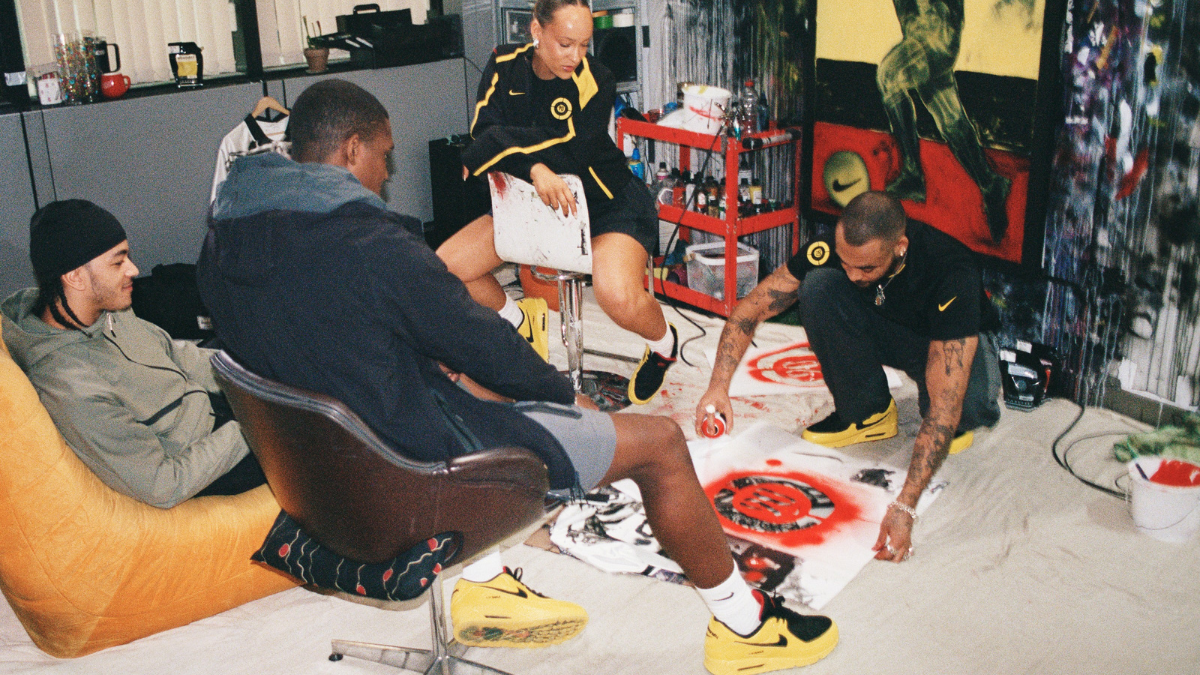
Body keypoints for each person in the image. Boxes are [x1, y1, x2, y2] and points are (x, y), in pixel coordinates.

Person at [197, 78, 837, 674]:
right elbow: (481, 343)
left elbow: (327, 336)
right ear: (352, 147)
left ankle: (483, 584)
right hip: (409, 480)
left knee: (466, 381)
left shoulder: (224, 238)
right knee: (661, 444)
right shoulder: (369, 245)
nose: (387, 173)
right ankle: (746, 627)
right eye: (384, 156)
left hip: (320, 486)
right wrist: (566, 395)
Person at [696, 191, 1001, 563]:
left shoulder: (951, 271)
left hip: (946, 340)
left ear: (900, 247)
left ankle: (968, 402)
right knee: (819, 286)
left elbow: (944, 408)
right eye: (847, 263)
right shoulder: (834, 250)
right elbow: (752, 309)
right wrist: (718, 387)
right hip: (888, 323)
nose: (854, 275)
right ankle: (868, 411)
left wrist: (905, 506)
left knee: (961, 412)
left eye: (867, 268)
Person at [436, 0, 677, 405]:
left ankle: (665, 345)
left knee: (617, 296)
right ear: (537, 30)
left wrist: (494, 147)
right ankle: (519, 324)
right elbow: (483, 129)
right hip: (530, 199)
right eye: (566, 44)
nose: (575, 56)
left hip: (606, 202)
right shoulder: (503, 64)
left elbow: (573, 149)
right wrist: (533, 167)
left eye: (584, 45)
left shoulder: (597, 77)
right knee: (444, 271)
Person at [0, 200, 265, 509]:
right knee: (313, 449)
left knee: (280, 357)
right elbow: (163, 484)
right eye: (117, 262)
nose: (134, 270)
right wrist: (254, 425)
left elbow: (178, 356)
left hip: (213, 411)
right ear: (75, 277)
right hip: (205, 459)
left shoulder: (107, 311)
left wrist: (257, 376)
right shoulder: (70, 384)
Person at [876, 0, 1011, 242]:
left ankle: (912, 173)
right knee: (950, 118)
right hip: (928, 32)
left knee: (889, 76)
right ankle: (990, 183)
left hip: (933, 33)